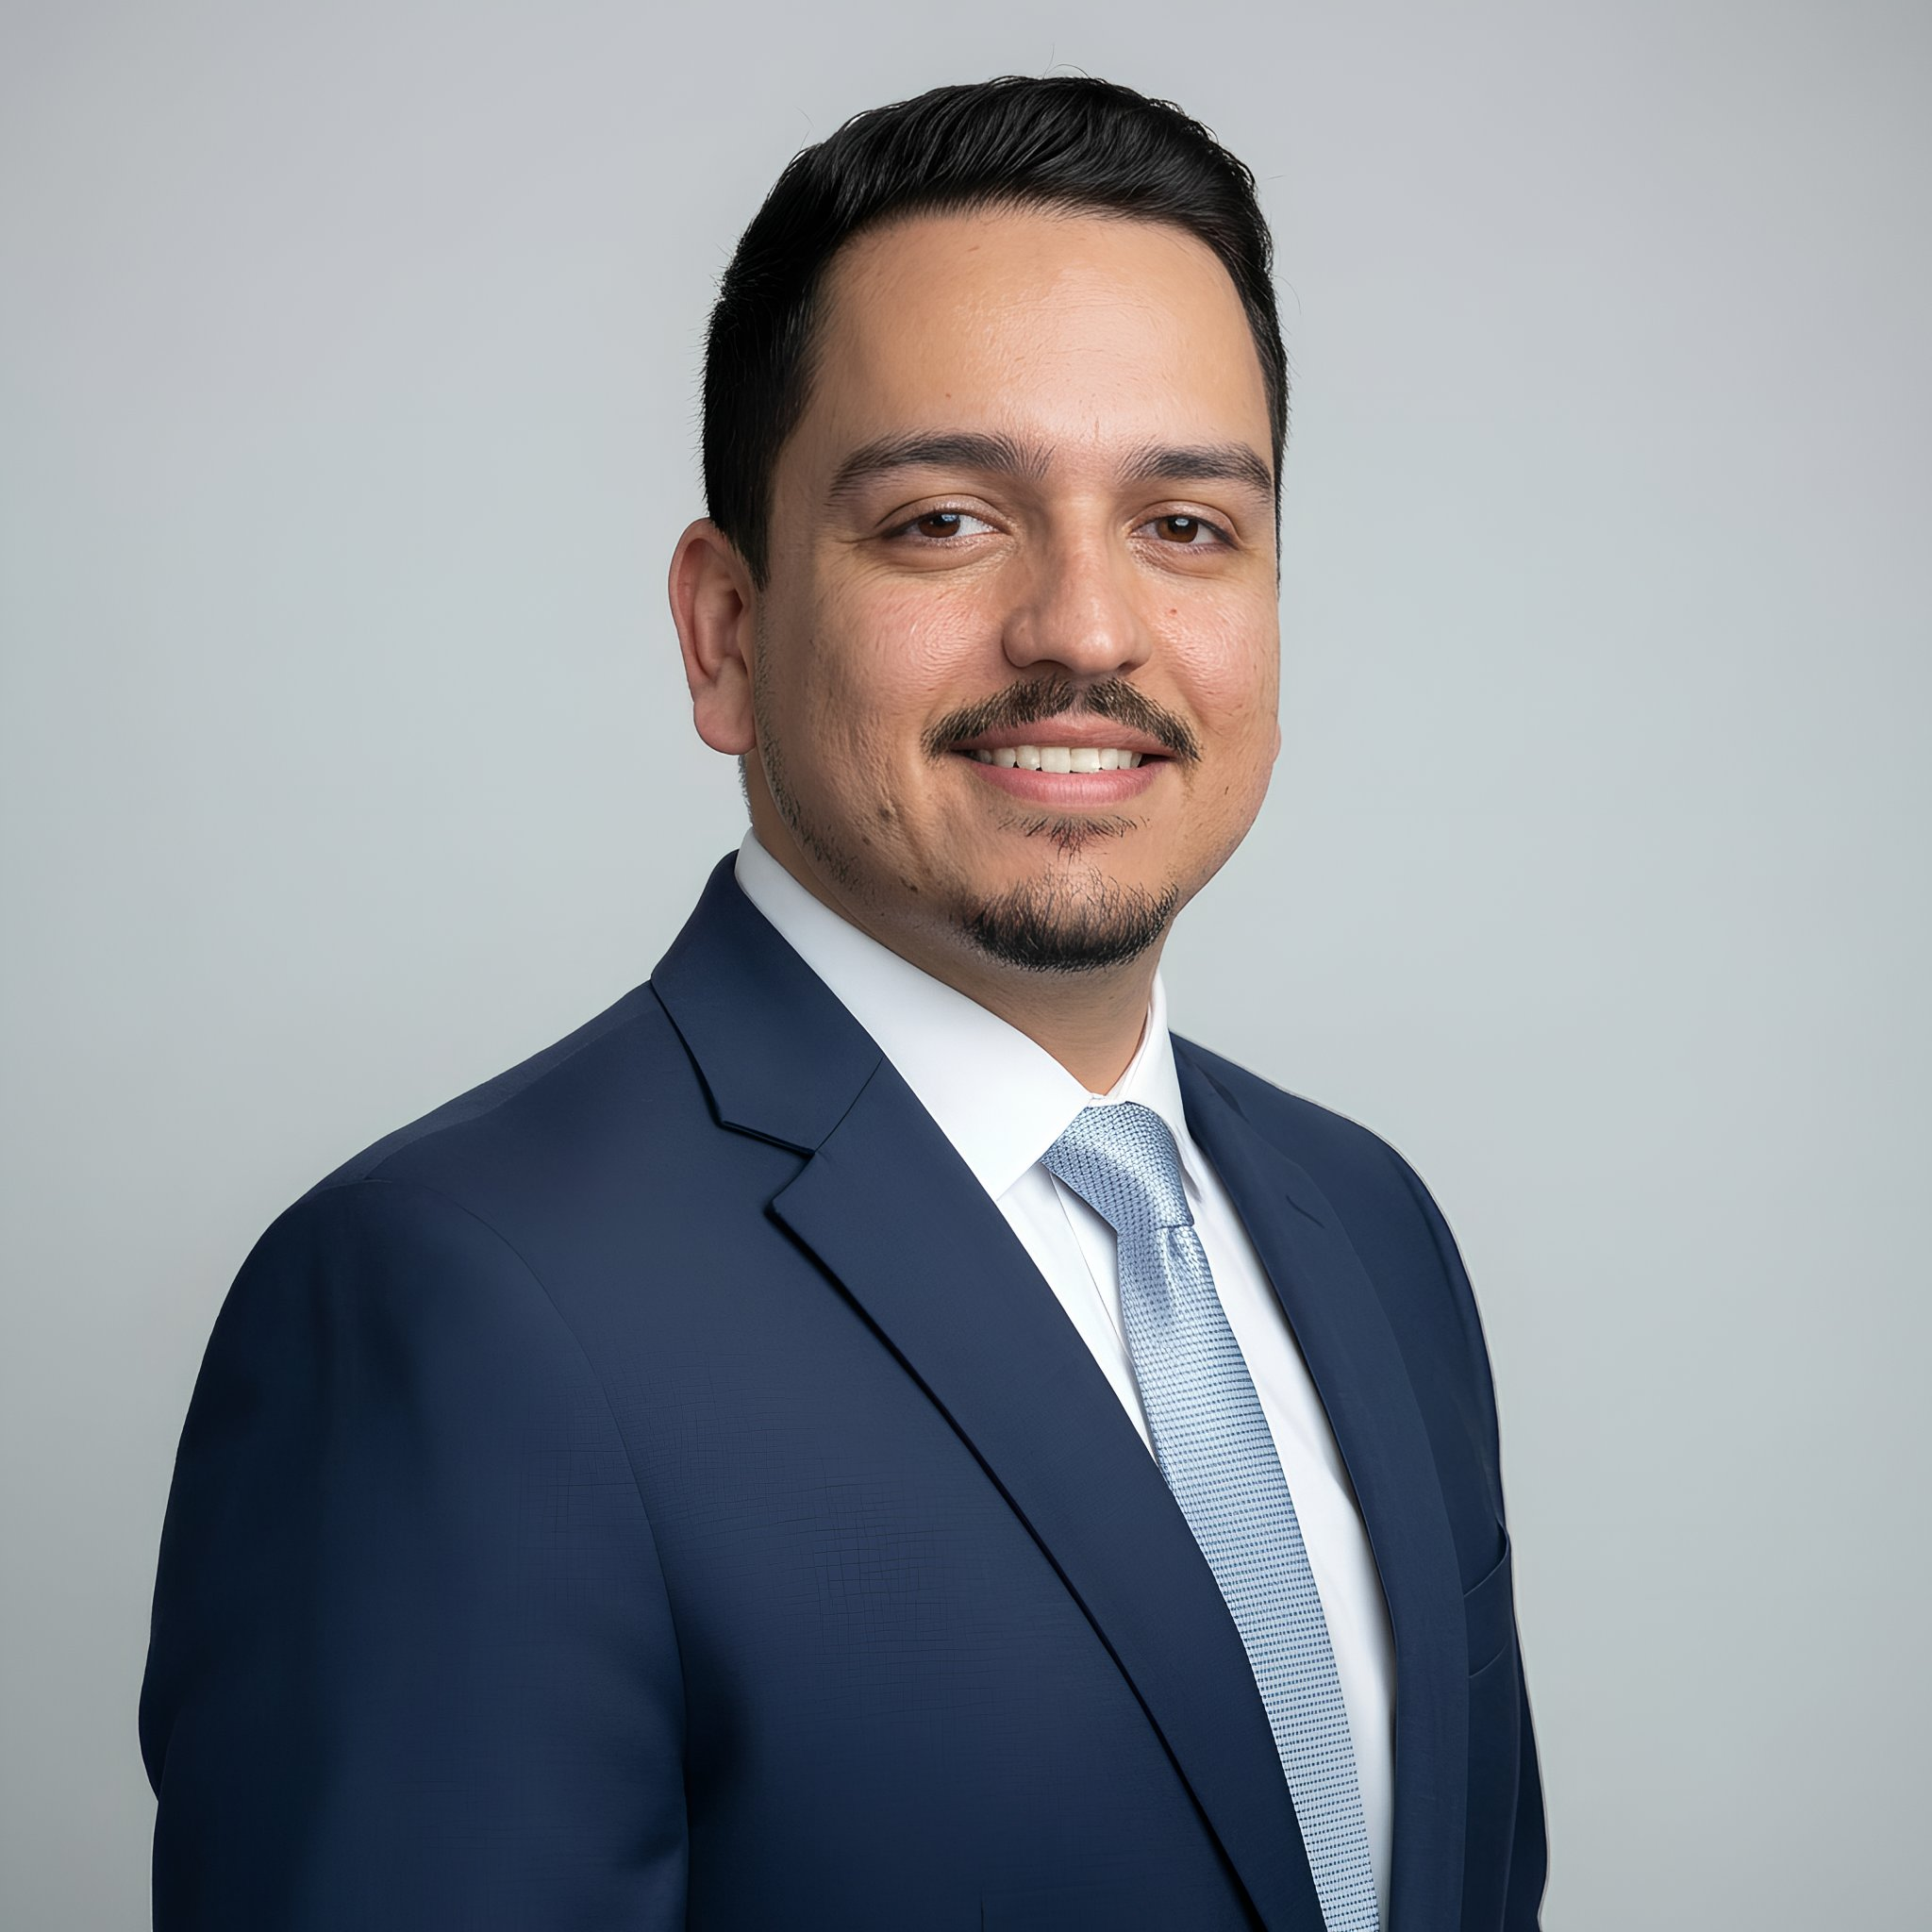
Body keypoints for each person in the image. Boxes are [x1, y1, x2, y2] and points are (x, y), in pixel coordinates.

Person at [140, 75, 1545, 1932]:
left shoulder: (1368, 1231)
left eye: (1186, 526)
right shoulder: (449, 1309)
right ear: (726, 630)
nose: (1087, 629)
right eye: (948, 520)